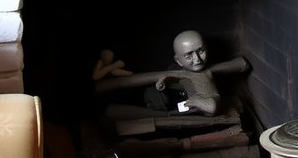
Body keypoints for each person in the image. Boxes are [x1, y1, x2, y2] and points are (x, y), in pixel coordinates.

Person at [94, 29, 248, 116]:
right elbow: (167, 76)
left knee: (211, 105)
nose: (197, 59)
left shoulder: (207, 73)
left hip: (200, 101)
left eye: (201, 51)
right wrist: (163, 80)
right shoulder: (181, 72)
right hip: (184, 98)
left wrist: (241, 64)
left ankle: (197, 103)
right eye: (188, 55)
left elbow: (212, 106)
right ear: (178, 61)